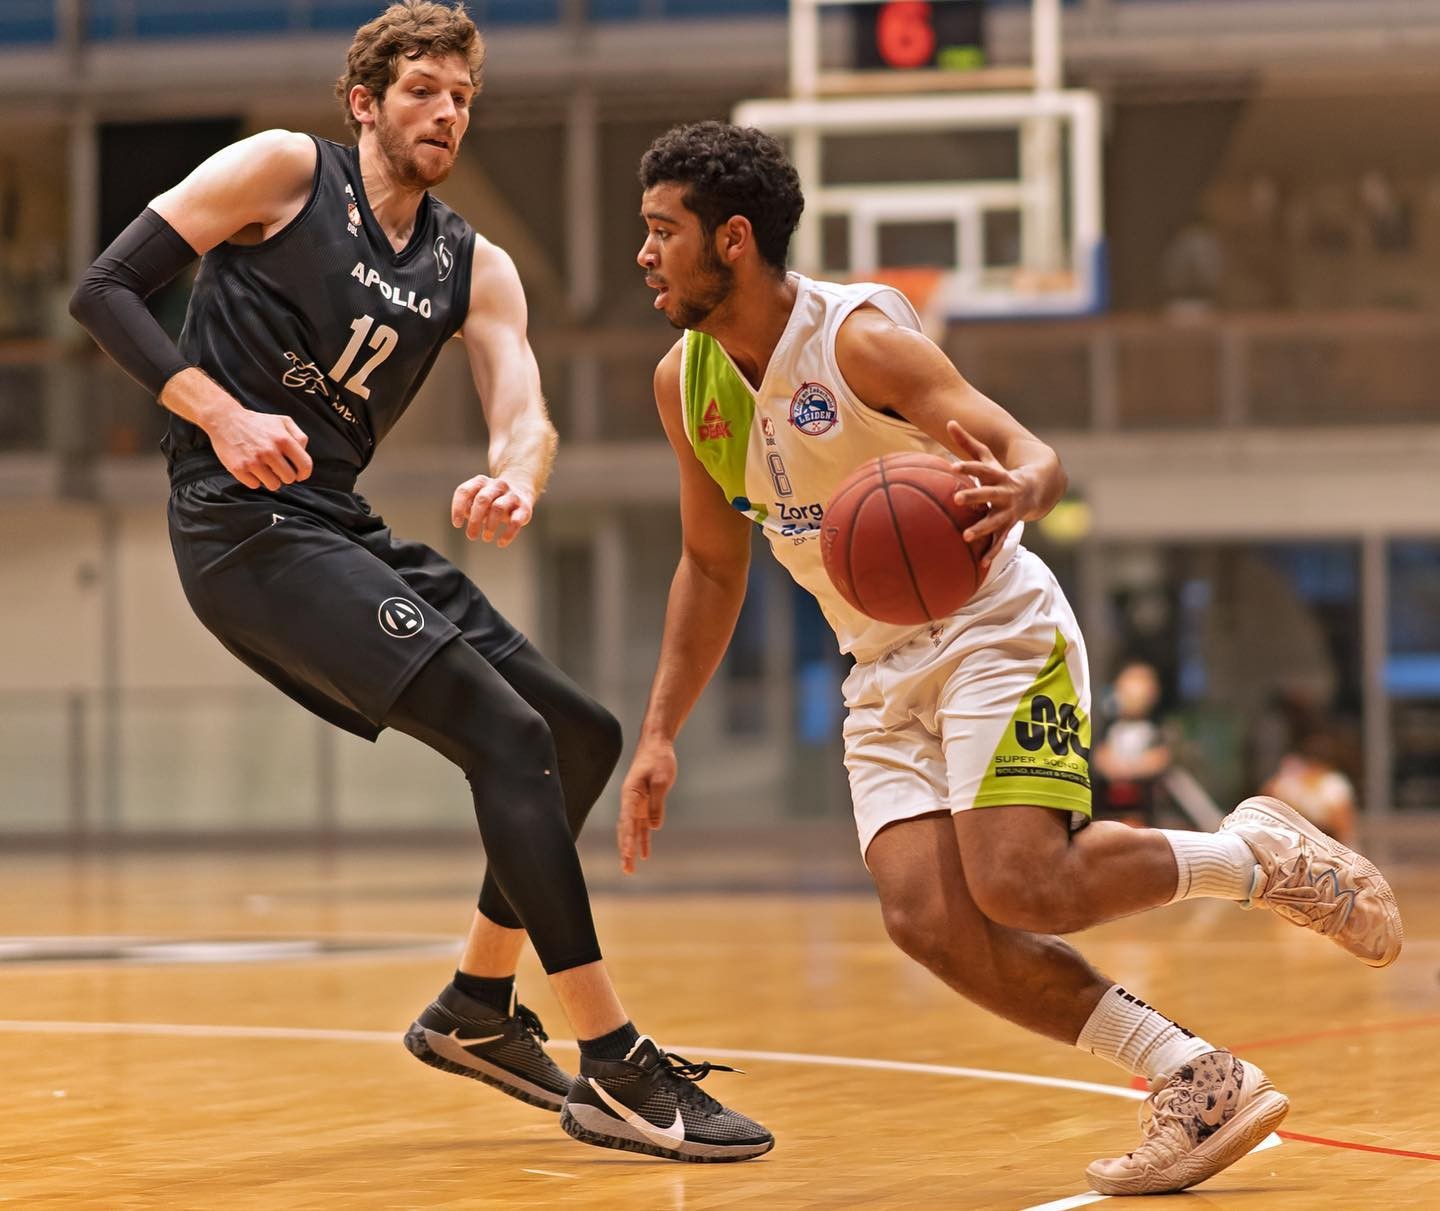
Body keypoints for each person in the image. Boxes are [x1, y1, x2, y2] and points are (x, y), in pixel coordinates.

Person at [620, 121, 1402, 1196]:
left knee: (1024, 882)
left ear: (734, 239)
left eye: (663, 230)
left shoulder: (858, 342)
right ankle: (1196, 1075)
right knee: (928, 921)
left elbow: (1028, 450)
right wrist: (660, 730)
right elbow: (712, 569)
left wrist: (1029, 483)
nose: (644, 254)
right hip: (877, 662)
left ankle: (1259, 858)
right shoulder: (685, 385)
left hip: (991, 625)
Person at [67, 3, 770, 1165]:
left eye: (463, 98)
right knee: (507, 734)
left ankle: (475, 1008)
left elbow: (524, 407)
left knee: (577, 733)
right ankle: (616, 1062)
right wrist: (221, 413)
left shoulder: (473, 263)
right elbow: (105, 289)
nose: (447, 113)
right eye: (424, 92)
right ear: (366, 102)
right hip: (239, 524)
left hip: (336, 521)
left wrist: (516, 474)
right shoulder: (284, 171)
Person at [1092, 660, 1172, 827]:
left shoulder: (1158, 729)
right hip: (1108, 813)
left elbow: (1161, 758)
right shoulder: (1108, 729)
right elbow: (1100, 757)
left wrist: (1131, 768)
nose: (1135, 691)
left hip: (1146, 814)